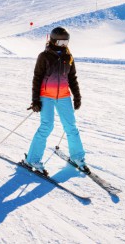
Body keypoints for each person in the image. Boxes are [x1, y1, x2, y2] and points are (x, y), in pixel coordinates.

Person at [25, 26, 87, 172]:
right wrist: (35, 100)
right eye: (61, 43)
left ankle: (77, 156)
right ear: (53, 41)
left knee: (71, 126)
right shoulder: (44, 56)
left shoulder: (68, 57)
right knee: (47, 126)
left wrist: (77, 96)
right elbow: (37, 78)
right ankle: (33, 159)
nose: (64, 46)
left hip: (64, 96)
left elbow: (72, 78)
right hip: (46, 96)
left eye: (66, 43)